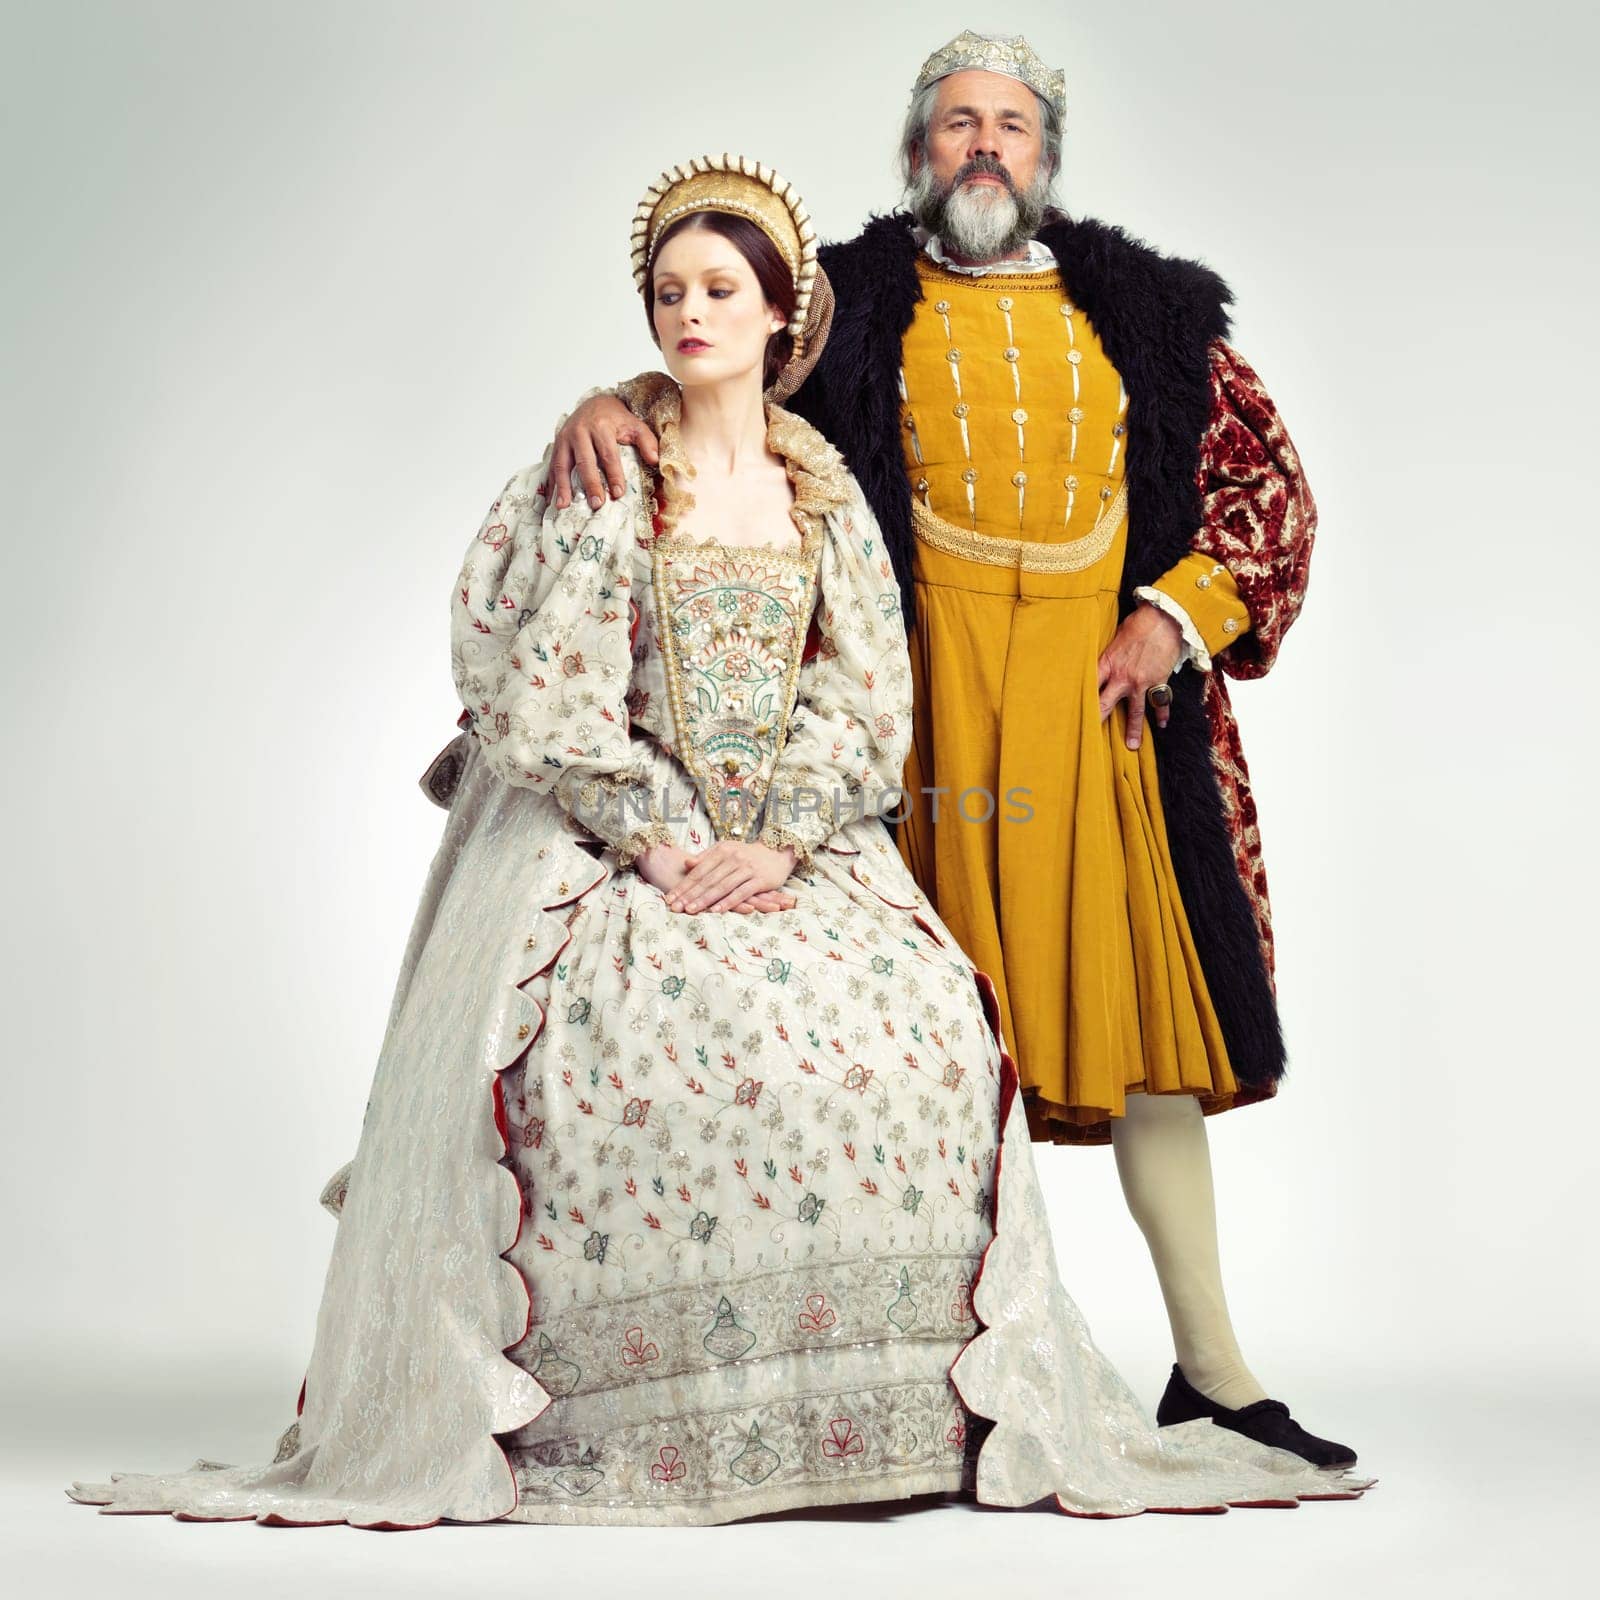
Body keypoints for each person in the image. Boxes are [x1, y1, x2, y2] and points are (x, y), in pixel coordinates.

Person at [68, 157, 1366, 1530]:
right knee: (629, 1050)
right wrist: (662, 833)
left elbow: (867, 691)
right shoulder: (619, 463)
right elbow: (544, 687)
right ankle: (635, 1413)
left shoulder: (835, 484)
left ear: (777, 318)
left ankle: (939, 1407)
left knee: (932, 1022)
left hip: (844, 816)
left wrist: (791, 833)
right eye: (669, 292)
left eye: (720, 290)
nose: (693, 313)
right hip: (619, 830)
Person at [547, 31, 1355, 1469]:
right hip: (920, 719)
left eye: (1013, 127)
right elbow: (719, 367)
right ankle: (963, 1379)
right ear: (920, 149)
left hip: (1096, 721)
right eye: (959, 124)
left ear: (1046, 155)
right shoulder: (849, 304)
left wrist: (1175, 619)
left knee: (1153, 1046)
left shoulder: (1154, 317)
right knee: (929, 1049)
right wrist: (613, 405)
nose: (986, 146)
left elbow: (1265, 492)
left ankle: (1215, 1371)